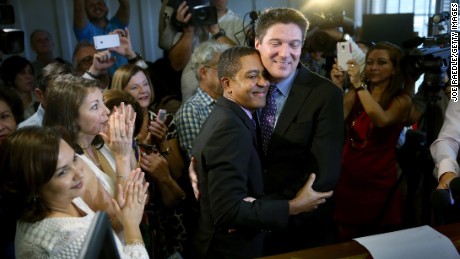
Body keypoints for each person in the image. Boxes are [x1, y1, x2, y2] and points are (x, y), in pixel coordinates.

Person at [191, 46, 333, 258]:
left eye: (265, 75)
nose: (263, 83)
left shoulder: (231, 114)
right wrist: (293, 206)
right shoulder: (230, 127)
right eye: (252, 76)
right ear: (227, 84)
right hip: (228, 250)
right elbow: (228, 212)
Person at [252, 8, 344, 254]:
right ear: (257, 43)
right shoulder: (244, 85)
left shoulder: (325, 95)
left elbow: (325, 174)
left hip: (301, 229)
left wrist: (269, 209)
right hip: (249, 230)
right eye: (276, 43)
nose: (285, 53)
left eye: (294, 44)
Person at [0, 126, 149, 258]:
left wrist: (122, 221)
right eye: (63, 172)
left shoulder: (61, 198)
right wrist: (132, 226)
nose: (79, 173)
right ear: (33, 187)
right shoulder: (71, 237)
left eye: (75, 159)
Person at [331, 42, 412, 240]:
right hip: (348, 176)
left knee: (381, 239)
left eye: (381, 62)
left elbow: (381, 119)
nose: (373, 68)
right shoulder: (356, 93)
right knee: (346, 240)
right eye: (369, 62)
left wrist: (358, 84)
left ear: (395, 69)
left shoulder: (402, 100)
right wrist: (336, 86)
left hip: (379, 180)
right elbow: (334, 120)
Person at [111, 65, 188, 258]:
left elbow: (178, 173)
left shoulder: (163, 119)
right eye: (134, 87)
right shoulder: (118, 128)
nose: (143, 90)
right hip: (137, 216)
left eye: (145, 84)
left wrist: (162, 143)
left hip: (167, 214)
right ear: (122, 93)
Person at [160, 0, 245, 101]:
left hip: (225, 97)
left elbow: (242, 63)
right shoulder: (190, 18)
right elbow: (176, 65)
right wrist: (188, 33)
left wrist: (217, 33)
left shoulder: (239, 25)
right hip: (191, 96)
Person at [175, 40, 230, 159]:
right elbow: (197, 162)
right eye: (222, 68)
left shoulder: (232, 102)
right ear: (204, 73)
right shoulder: (190, 111)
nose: (229, 74)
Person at [73, 0, 130, 74]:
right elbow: (78, 8)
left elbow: (126, 5)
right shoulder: (84, 30)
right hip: (99, 82)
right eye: (91, 5)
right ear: (85, 9)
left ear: (106, 7)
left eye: (100, 3)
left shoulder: (117, 25)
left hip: (123, 80)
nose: (96, 7)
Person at [18, 61, 73, 128]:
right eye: (56, 93)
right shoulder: (26, 130)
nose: (64, 97)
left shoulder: (83, 120)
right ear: (40, 95)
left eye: (68, 90)